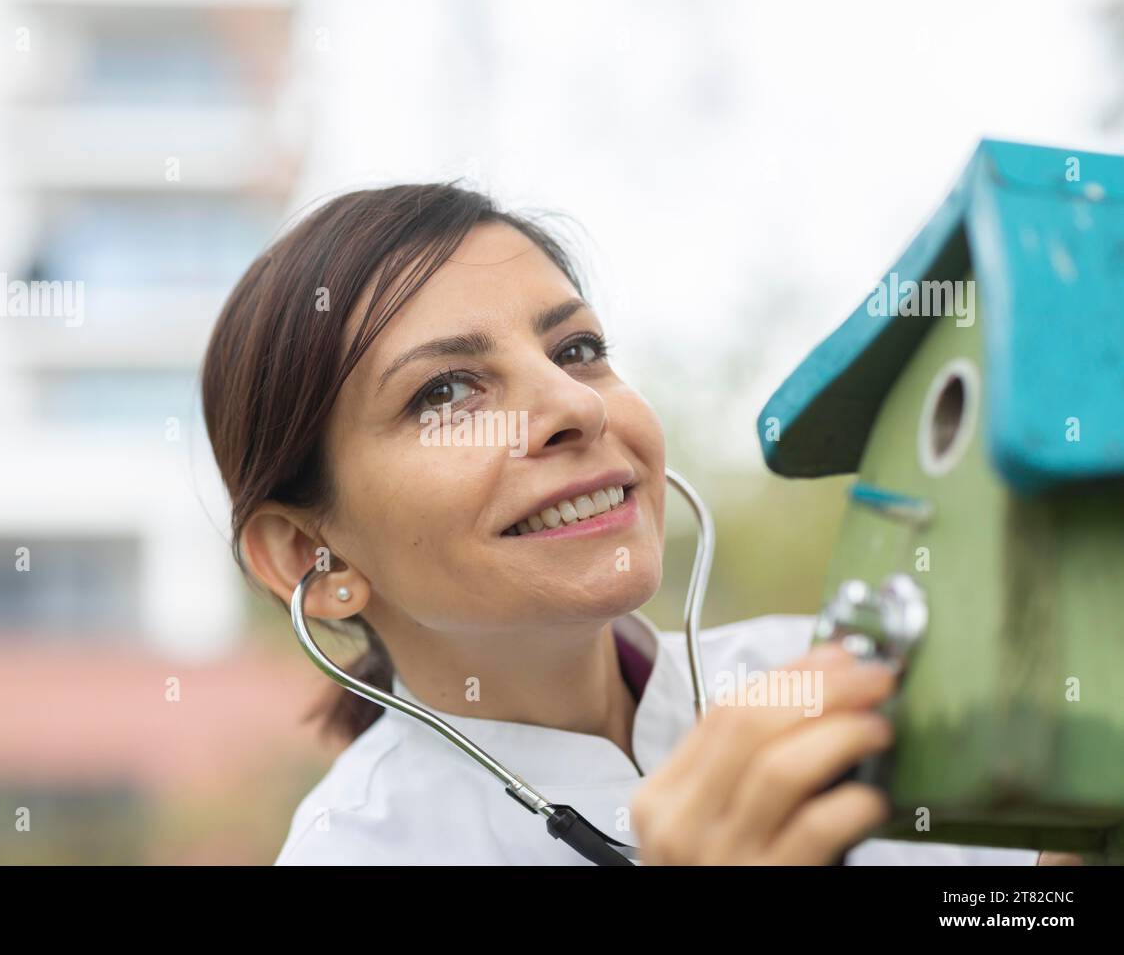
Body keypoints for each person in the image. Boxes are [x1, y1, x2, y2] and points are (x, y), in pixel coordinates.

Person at [200, 183, 1038, 865]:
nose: (574, 405)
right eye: (447, 391)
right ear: (311, 553)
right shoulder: (354, 853)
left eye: (575, 351)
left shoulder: (835, 677)